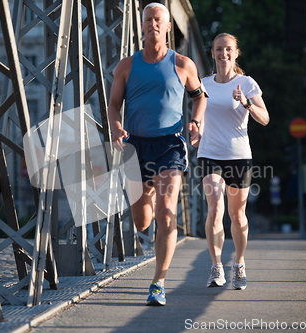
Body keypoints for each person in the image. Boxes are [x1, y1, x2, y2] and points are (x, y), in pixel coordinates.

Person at [108, 2, 206, 306]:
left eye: (158, 19)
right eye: (148, 19)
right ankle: (146, 192)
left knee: (167, 214)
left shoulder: (183, 64)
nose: (153, 23)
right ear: (142, 26)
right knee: (142, 221)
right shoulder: (126, 66)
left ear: (167, 27)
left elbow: (199, 97)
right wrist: (115, 127)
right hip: (136, 146)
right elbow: (113, 105)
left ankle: (158, 282)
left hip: (170, 146)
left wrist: (196, 121)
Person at [197, 33, 269, 290]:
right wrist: (196, 129)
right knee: (215, 209)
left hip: (239, 156)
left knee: (237, 215)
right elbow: (200, 115)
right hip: (209, 154)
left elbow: (265, 118)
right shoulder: (203, 84)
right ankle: (216, 267)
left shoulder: (247, 83)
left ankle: (238, 263)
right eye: (218, 49)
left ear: (236, 53)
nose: (223, 53)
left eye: (228, 49)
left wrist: (247, 103)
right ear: (213, 52)